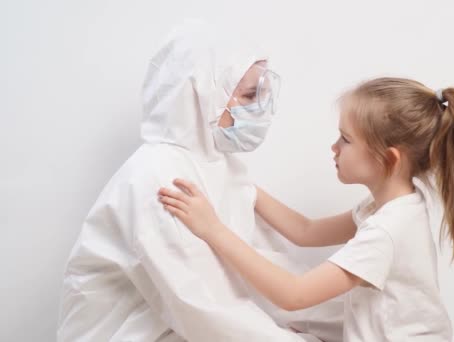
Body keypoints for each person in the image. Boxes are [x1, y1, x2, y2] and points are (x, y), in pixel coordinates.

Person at [58, 19, 341, 342]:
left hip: (181, 320)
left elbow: (256, 264)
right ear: (201, 95)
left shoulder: (219, 165)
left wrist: (341, 317)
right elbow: (202, 307)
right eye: (250, 95)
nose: (262, 108)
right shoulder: (158, 179)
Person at [159, 77, 454, 341]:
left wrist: (213, 229)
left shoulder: (387, 231)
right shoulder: (391, 205)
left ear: (388, 158)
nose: (334, 148)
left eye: (345, 140)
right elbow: (307, 232)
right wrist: (243, 187)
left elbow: (293, 295)